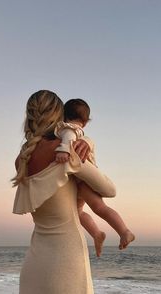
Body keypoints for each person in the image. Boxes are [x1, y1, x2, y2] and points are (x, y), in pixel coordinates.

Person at [12, 90, 116, 294]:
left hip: (35, 263)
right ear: (58, 116)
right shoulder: (65, 151)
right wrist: (87, 143)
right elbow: (109, 189)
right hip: (66, 259)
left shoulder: (21, 159)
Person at [54, 99, 135, 257]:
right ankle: (97, 234)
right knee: (78, 212)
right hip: (80, 180)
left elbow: (68, 139)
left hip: (84, 180)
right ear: (86, 121)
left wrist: (64, 150)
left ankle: (124, 231)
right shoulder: (80, 131)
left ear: (63, 116)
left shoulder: (68, 128)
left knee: (98, 208)